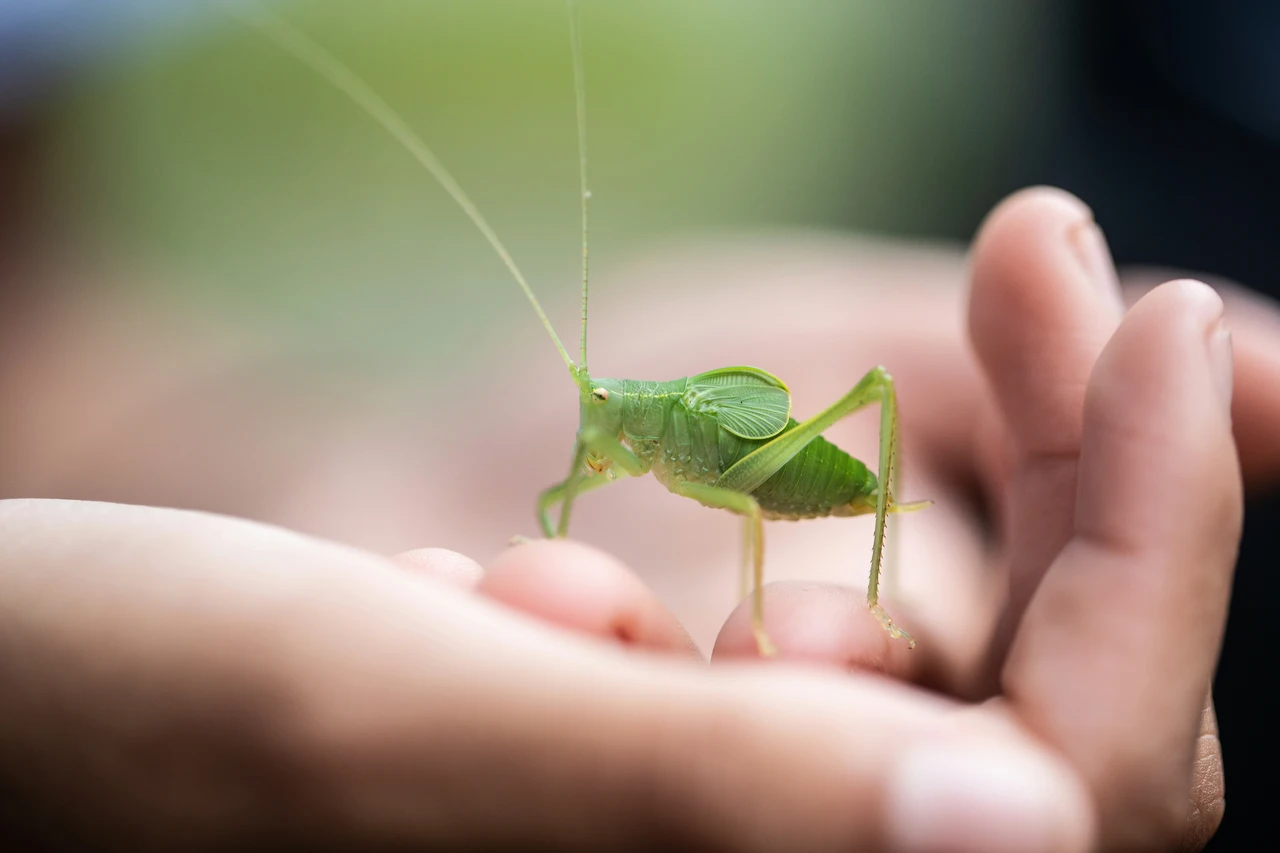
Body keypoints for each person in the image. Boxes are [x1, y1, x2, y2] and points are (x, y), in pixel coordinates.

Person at [5, 183, 1280, 852]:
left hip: (771, 465)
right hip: (729, 451)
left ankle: (876, 588)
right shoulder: (616, 421)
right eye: (596, 406)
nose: (596, 418)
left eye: (601, 404)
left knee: (867, 421)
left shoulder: (667, 427)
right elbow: (565, 484)